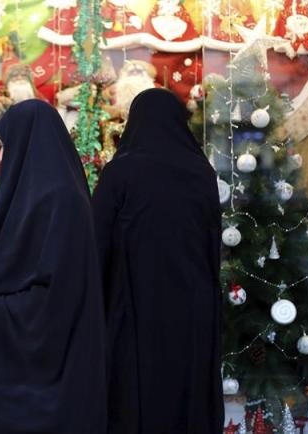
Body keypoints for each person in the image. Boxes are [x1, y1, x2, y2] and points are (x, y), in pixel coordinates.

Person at [0, 99, 106, 434]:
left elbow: (57, 297)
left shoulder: (58, 199)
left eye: (9, 146)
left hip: (47, 378)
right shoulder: (46, 193)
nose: (5, 156)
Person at [92, 88, 223, 434]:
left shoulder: (120, 173)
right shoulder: (201, 172)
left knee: (136, 395)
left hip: (133, 306)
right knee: (187, 392)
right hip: (193, 307)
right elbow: (213, 244)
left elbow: (96, 243)